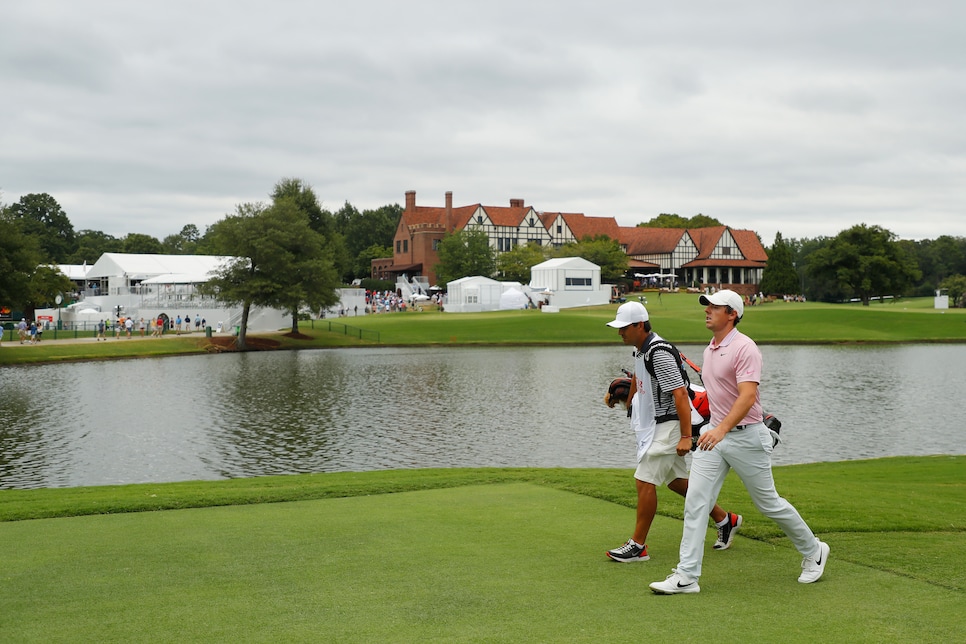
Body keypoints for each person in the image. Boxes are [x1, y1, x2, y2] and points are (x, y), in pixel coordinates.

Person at [649, 290, 829, 594]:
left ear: (732, 314)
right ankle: (687, 576)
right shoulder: (710, 349)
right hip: (715, 437)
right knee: (696, 501)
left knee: (768, 503)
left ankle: (814, 550)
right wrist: (709, 427)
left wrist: (720, 429)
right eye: (706, 307)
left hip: (747, 437)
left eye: (714, 307)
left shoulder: (746, 348)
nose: (707, 311)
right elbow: (717, 395)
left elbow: (747, 397)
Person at [604, 301, 741, 563]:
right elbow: (638, 378)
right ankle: (726, 520)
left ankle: (638, 546)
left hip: (670, 424)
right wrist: (630, 402)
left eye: (624, 328)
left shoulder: (659, 352)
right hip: (657, 424)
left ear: (639, 325)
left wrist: (686, 436)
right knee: (676, 481)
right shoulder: (641, 350)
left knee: (644, 480)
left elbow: (679, 394)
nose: (619, 333)